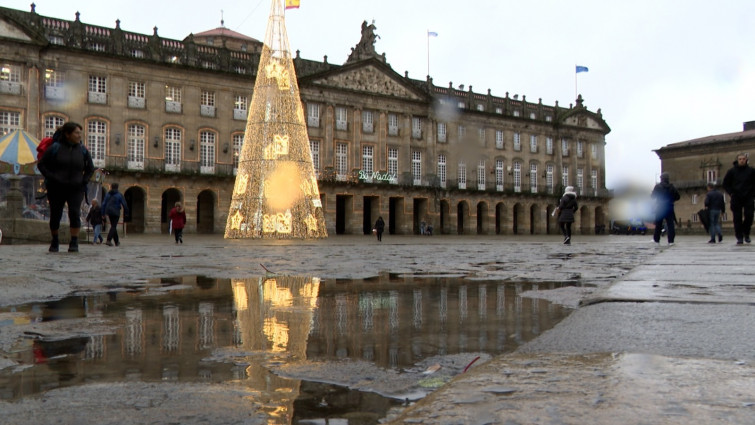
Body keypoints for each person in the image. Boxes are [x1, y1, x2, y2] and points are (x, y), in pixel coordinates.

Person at [37, 122, 94, 253]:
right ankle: (55, 240)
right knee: (55, 214)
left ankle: (74, 241)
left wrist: (83, 181)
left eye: (80, 133)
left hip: (76, 187)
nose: (79, 135)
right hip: (56, 187)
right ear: (68, 134)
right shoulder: (55, 148)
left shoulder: (82, 150)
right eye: (76, 133)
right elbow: (42, 165)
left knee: (74, 213)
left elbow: (90, 168)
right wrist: (51, 177)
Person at [722, 153, 755, 245]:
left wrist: (753, 194)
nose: (742, 160)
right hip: (736, 196)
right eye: (740, 159)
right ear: (737, 160)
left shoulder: (751, 171)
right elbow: (725, 183)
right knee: (737, 218)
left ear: (746, 160)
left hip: (748, 196)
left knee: (749, 215)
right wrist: (731, 192)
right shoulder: (732, 171)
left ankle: (746, 233)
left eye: (743, 159)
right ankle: (739, 237)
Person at [651, 172, 681, 246]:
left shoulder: (657, 187)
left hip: (660, 207)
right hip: (669, 206)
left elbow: (653, 196)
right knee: (670, 224)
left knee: (658, 224)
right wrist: (671, 199)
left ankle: (656, 240)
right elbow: (678, 197)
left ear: (661, 179)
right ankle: (671, 241)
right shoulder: (672, 187)